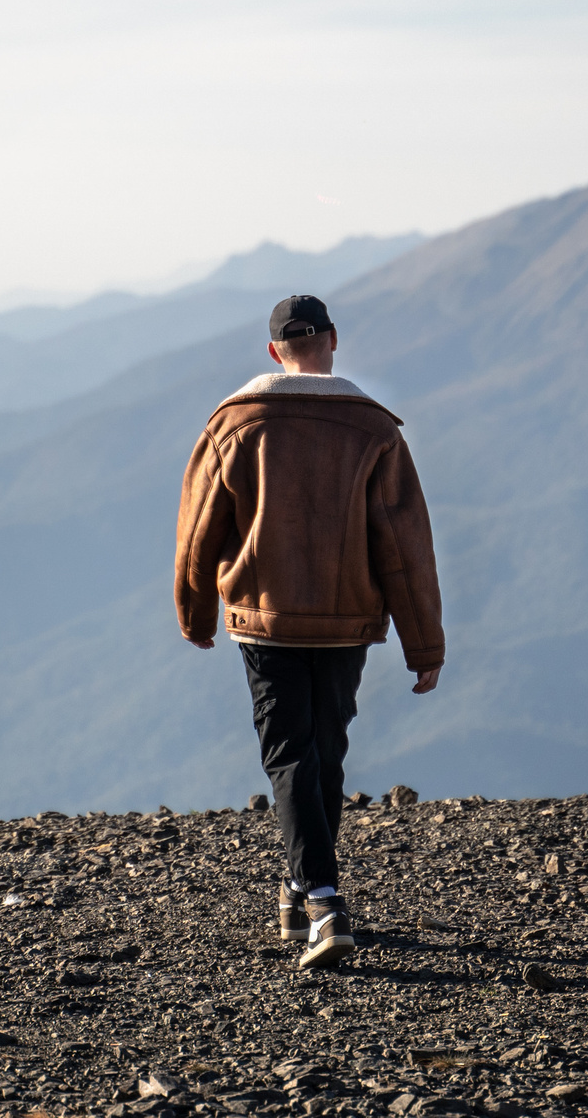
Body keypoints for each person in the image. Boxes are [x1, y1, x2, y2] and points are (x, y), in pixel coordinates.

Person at [173, 293, 446, 970]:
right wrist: (424, 643)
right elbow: (404, 547)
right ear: (332, 340)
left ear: (273, 351)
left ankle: (318, 899)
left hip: (264, 621)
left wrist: (194, 610)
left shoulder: (233, 424)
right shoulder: (376, 429)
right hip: (346, 618)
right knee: (324, 752)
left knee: (290, 754)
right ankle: (310, 891)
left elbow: (199, 530)